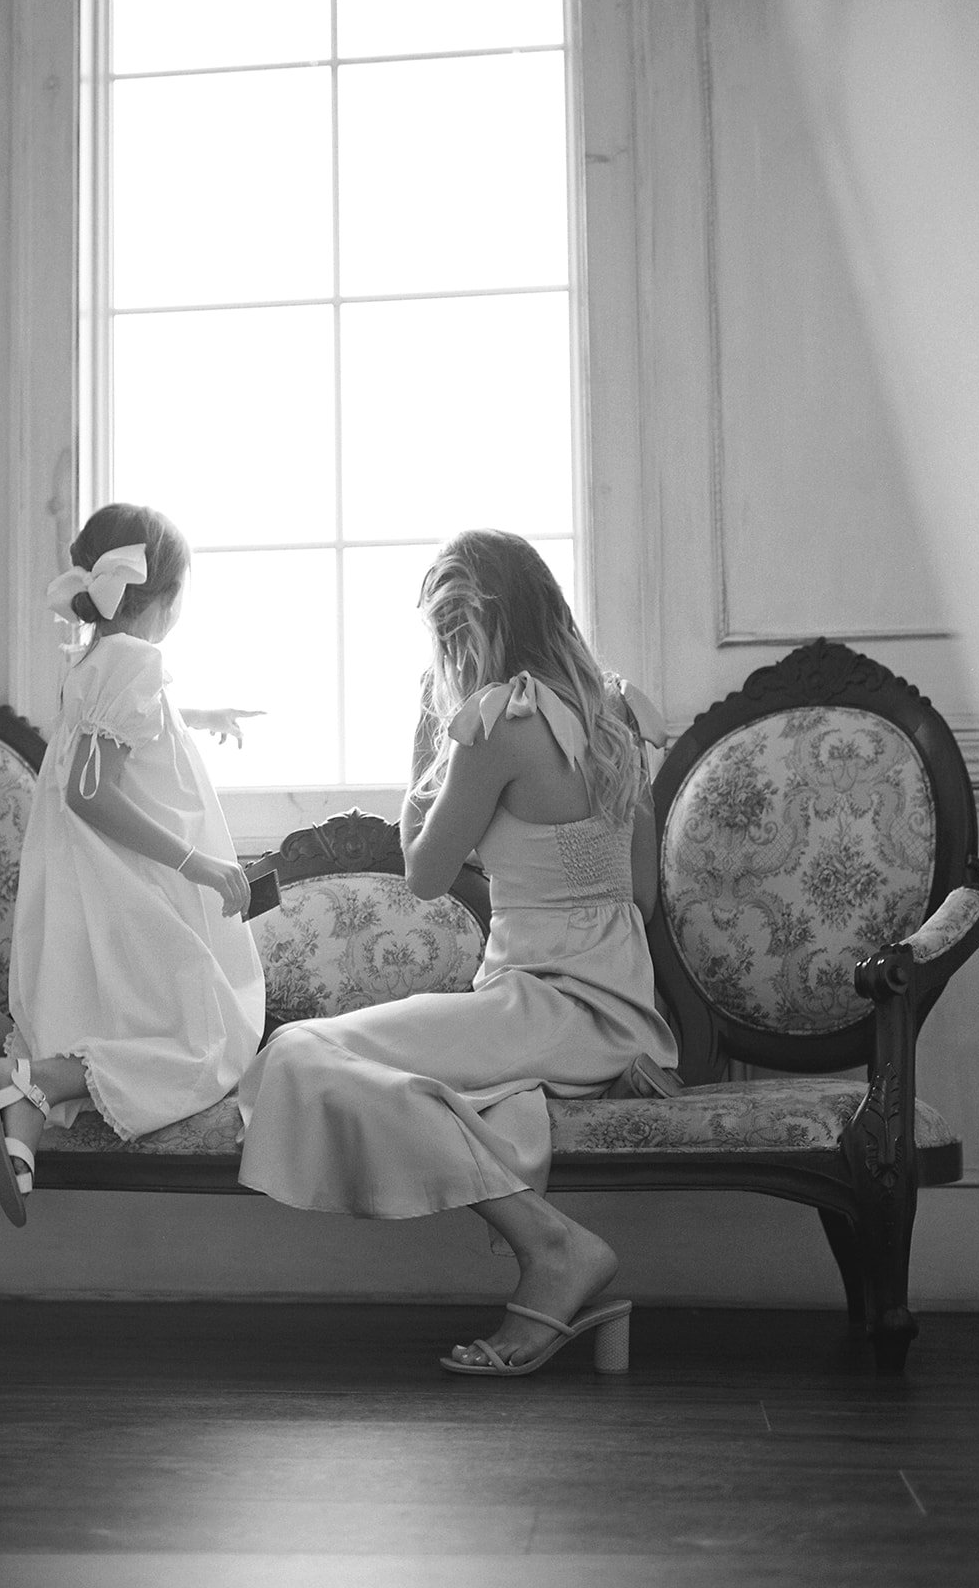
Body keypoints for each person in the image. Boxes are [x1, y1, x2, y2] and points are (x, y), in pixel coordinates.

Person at [236, 529, 678, 1378]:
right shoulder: (616, 710)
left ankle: (555, 1248)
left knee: (298, 1051)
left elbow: (426, 875)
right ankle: (550, 1247)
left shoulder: (496, 728)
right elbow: (643, 895)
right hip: (622, 1010)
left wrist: (429, 746)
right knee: (372, 1073)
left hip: (547, 1002)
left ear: (464, 631)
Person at [0, 502, 266, 1225]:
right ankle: (26, 1082)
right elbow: (89, 791)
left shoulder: (99, 659)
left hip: (84, 882)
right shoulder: (136, 662)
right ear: (163, 598)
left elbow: (125, 732)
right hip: (127, 886)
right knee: (215, 1041)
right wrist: (197, 863)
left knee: (113, 1019)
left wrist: (197, 718)